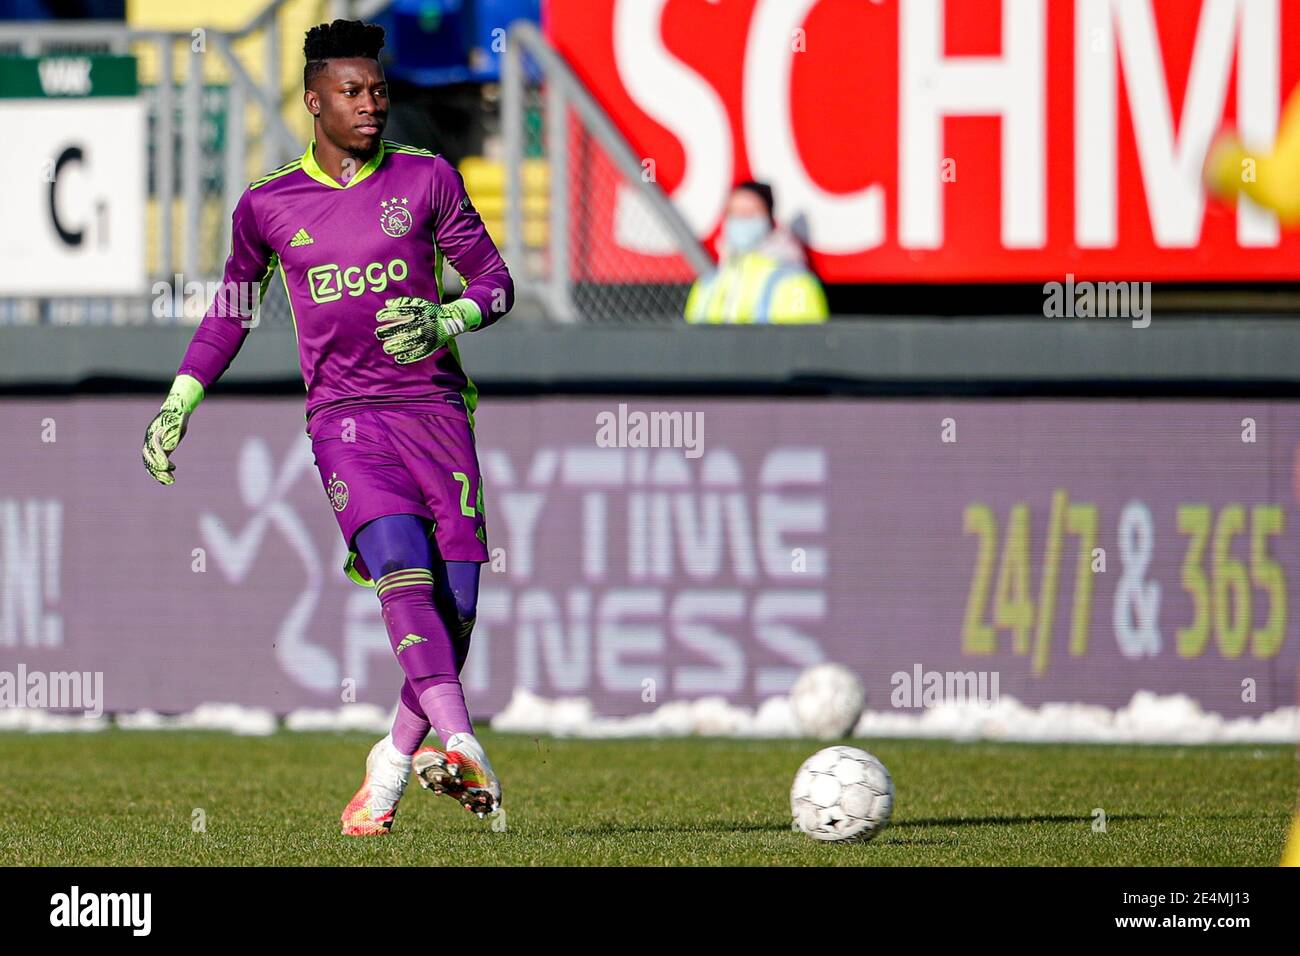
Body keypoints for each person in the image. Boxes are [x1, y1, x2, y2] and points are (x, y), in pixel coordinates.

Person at [140, 19, 513, 837]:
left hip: (438, 413)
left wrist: (449, 316)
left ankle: (386, 772)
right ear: (314, 101)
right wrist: (179, 400)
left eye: (378, 90)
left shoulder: (428, 180)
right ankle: (460, 739)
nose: (371, 105)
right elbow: (231, 312)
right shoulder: (269, 204)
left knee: (457, 611)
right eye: (352, 92)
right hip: (346, 420)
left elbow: (496, 284)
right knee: (398, 566)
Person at [685, 181, 829, 324]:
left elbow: (805, 343)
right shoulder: (707, 284)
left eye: (750, 213)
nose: (741, 219)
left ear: (770, 220)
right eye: (734, 212)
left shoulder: (796, 283)